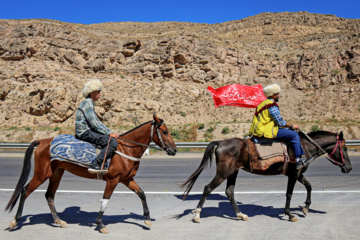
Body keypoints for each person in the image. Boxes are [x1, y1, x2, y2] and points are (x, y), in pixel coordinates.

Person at [248, 83, 311, 170]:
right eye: (278, 94)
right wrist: (293, 126)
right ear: (273, 95)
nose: (279, 96)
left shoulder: (262, 103)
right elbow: (280, 122)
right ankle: (299, 160)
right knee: (294, 135)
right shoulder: (271, 105)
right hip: (267, 131)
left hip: (259, 130)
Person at [75, 79, 119, 174]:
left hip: (87, 130)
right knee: (112, 142)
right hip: (84, 132)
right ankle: (97, 164)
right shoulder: (88, 103)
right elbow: (94, 123)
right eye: (98, 92)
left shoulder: (89, 103)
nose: (100, 94)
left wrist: (109, 131)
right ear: (92, 93)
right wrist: (109, 133)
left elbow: (96, 122)